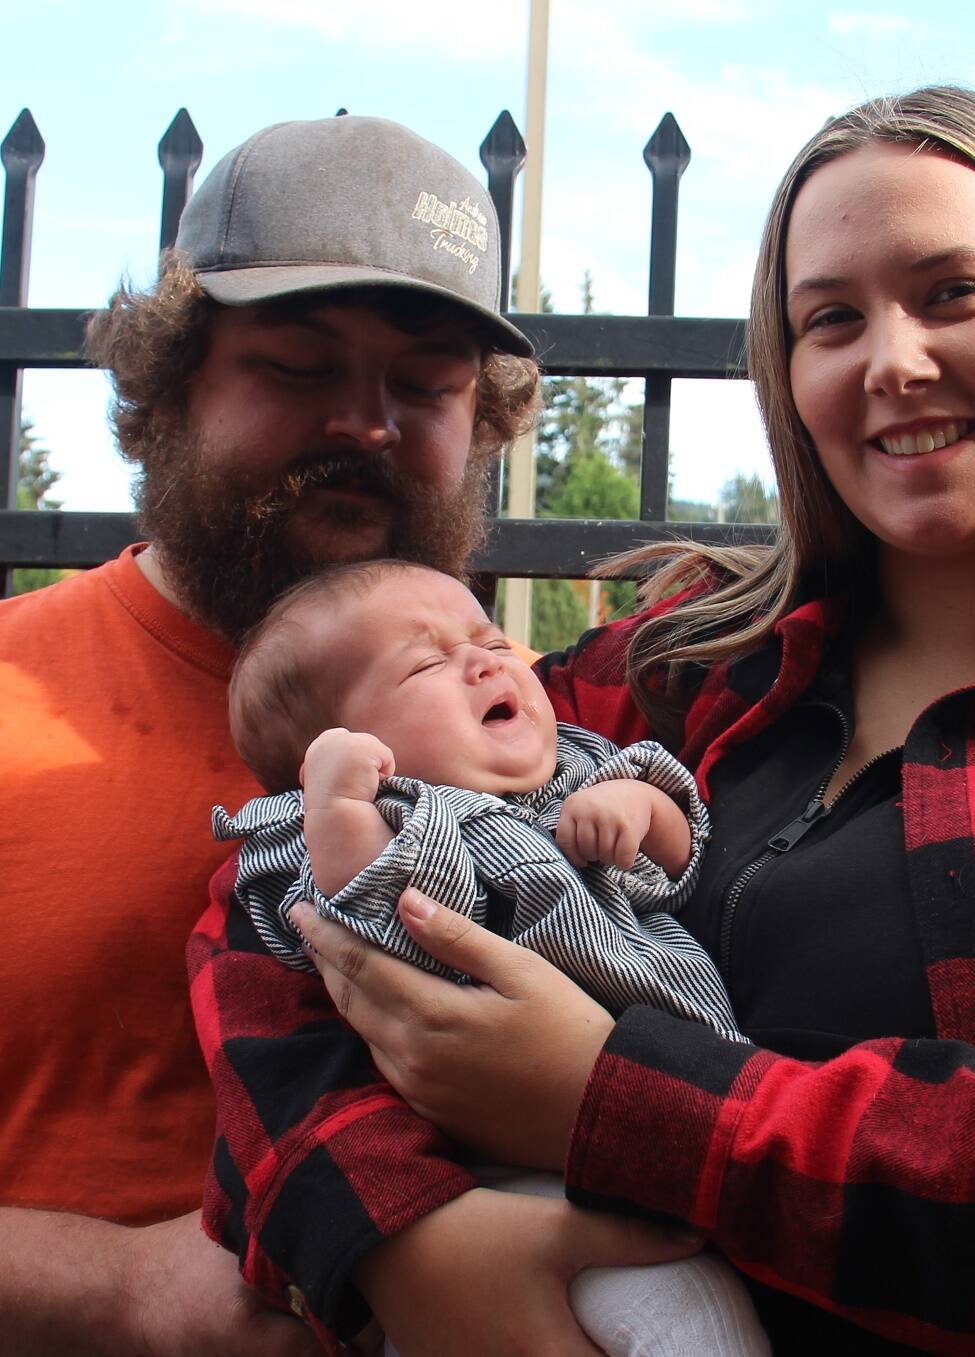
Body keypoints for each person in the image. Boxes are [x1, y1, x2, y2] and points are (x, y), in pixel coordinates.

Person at [193, 86, 975, 1354]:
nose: (892, 361)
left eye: (952, 292)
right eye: (830, 319)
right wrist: (408, 1239)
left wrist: (611, 1100)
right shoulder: (686, 670)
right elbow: (270, 904)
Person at [0, 113, 696, 1357]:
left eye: (424, 385)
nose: (366, 424)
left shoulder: (535, 733)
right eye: (298, 366)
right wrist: (117, 1288)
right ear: (169, 388)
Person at [213, 557, 768, 1357]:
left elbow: (681, 863)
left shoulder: (578, 765)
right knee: (687, 1317)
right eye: (427, 662)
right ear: (336, 749)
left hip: (687, 1103)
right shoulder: (392, 818)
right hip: (507, 1174)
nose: (485, 660)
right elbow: (375, 921)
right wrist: (337, 805)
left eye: (488, 637)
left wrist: (640, 810)